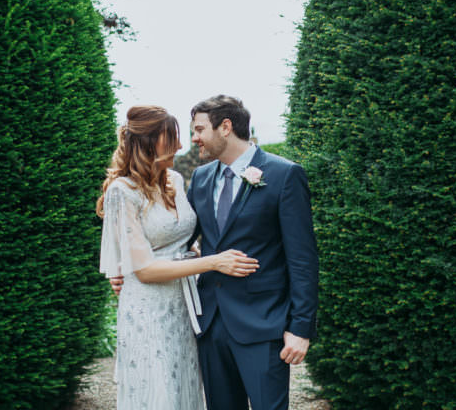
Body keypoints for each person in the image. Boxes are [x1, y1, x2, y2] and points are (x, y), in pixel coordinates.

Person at [113, 95, 319, 410]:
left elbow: (302, 259)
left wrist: (300, 329)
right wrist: (125, 269)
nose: (192, 139)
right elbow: (174, 235)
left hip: (263, 323)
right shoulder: (201, 178)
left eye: (198, 130)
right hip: (208, 324)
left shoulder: (283, 175)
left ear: (225, 127)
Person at [97, 105, 259, 410]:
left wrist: (200, 255)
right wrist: (214, 261)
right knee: (160, 392)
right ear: (149, 142)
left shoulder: (173, 180)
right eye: (171, 138)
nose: (182, 145)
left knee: (184, 386)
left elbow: (183, 238)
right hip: (148, 309)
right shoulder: (122, 190)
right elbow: (143, 269)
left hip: (183, 308)